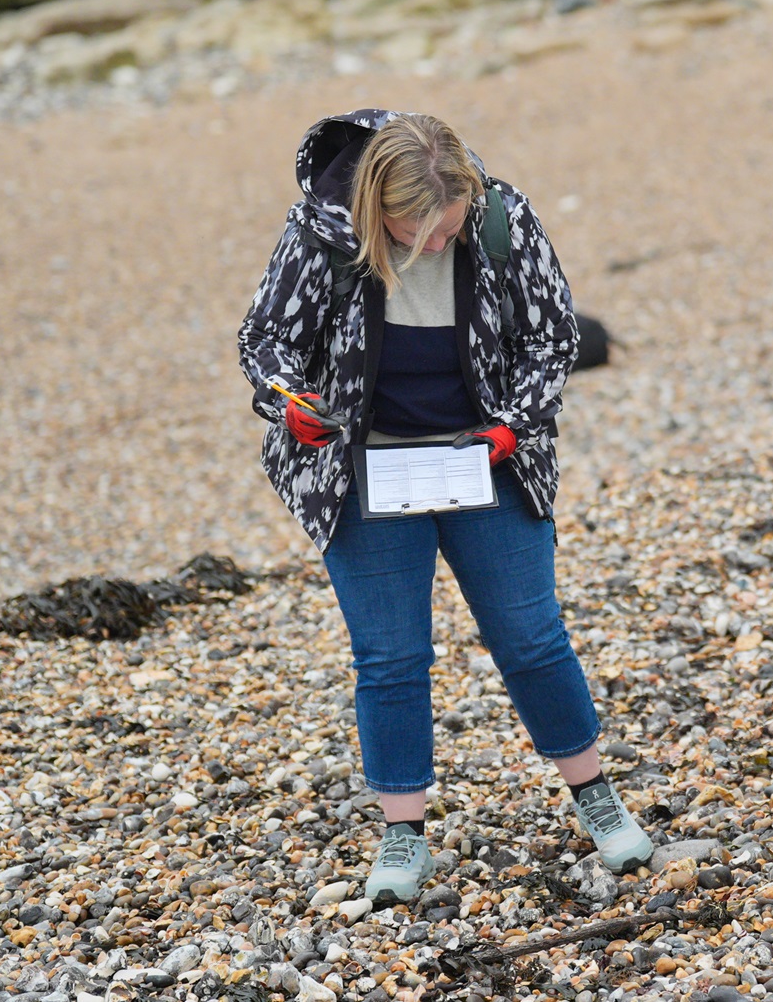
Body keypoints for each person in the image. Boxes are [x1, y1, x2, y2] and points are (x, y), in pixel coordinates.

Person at [237, 110, 653, 905]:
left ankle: (597, 797)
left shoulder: (504, 218)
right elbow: (266, 342)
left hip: (483, 457)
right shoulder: (320, 234)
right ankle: (403, 833)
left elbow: (555, 335)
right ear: (372, 208)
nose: (433, 244)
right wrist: (288, 402)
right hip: (363, 468)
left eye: (447, 228)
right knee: (390, 657)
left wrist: (512, 424)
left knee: (531, 636)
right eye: (413, 231)